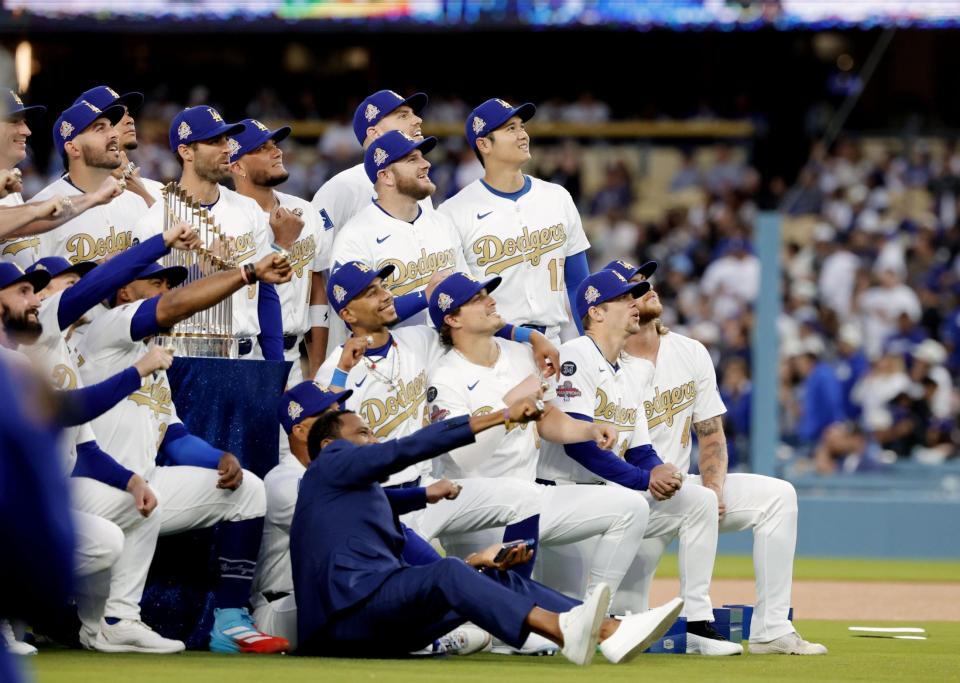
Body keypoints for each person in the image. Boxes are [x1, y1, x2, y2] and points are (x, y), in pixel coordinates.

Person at [291, 403, 685, 664]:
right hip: (343, 620)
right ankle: (563, 629)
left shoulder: (357, 496)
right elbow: (406, 449)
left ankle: (608, 631)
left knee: (490, 575)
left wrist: (471, 564)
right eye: (363, 433)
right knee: (448, 573)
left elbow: (408, 540)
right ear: (330, 445)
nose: (373, 440)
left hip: (376, 624)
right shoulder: (329, 465)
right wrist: (500, 417)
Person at [74, 251, 294, 654]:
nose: (166, 291)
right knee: (139, 505)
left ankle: (229, 622)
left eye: (168, 284)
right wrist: (246, 274)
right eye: (156, 283)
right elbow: (174, 307)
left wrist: (219, 458)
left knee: (249, 490)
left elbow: (172, 435)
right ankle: (110, 619)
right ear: (124, 291)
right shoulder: (108, 328)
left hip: (145, 482)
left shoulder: (152, 358)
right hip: (98, 486)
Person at [609, 258, 827, 656]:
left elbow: (711, 435)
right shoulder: (605, 362)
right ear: (611, 305)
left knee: (778, 497)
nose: (647, 288)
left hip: (682, 491)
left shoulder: (689, 351)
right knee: (623, 624)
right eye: (633, 287)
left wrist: (713, 489)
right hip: (628, 495)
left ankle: (772, 629)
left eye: (647, 281)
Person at [0, 236, 197, 652]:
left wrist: (131, 482)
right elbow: (65, 410)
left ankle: (112, 621)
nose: (37, 299)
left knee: (135, 512)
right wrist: (161, 242)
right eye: (25, 290)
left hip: (46, 488)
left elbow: (84, 447)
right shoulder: (20, 353)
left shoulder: (54, 351)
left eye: (37, 290)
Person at [533, 267, 729, 653]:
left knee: (699, 499)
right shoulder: (575, 356)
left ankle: (698, 622)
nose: (635, 303)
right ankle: (596, 620)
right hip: (562, 496)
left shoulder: (627, 371)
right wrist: (644, 481)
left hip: (603, 499)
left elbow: (639, 447)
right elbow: (581, 446)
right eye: (624, 298)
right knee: (538, 639)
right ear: (597, 312)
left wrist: (660, 470)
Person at [424, 271, 650, 605]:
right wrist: (509, 403)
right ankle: (516, 617)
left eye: (487, 293)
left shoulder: (517, 355)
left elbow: (546, 419)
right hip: (476, 512)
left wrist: (585, 429)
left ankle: (594, 611)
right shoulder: (446, 377)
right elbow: (465, 457)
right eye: (477, 299)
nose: (490, 300)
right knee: (486, 629)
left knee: (631, 507)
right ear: (452, 319)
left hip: (530, 497)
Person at [315, 261, 554, 556]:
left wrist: (529, 336)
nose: (385, 296)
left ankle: (520, 594)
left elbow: (471, 324)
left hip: (428, 488)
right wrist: (341, 373)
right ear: (347, 314)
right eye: (370, 293)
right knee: (440, 580)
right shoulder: (334, 372)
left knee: (525, 497)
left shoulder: (418, 340)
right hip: (378, 501)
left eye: (383, 287)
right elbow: (324, 446)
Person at [251, 381, 488, 656]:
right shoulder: (284, 481)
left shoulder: (337, 478)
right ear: (301, 430)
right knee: (383, 592)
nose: (336, 417)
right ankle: (431, 636)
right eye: (325, 413)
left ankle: (437, 627)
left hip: (327, 597)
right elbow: (357, 515)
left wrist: (422, 495)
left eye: (337, 409)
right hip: (282, 608)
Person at [133, 106, 284, 360]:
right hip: (184, 358)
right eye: (214, 141)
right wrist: (199, 275)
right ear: (186, 151)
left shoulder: (248, 209)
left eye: (226, 139)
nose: (227, 148)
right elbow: (142, 307)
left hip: (247, 356)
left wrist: (275, 365)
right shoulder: (153, 223)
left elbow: (266, 293)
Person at [439, 98, 591, 343]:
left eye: (522, 126)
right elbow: (459, 304)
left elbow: (578, 284)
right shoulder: (453, 212)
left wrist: (590, 345)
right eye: (511, 129)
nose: (522, 135)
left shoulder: (557, 197)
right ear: (484, 144)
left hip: (553, 340)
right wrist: (524, 337)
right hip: (492, 346)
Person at [310, 89, 431, 371]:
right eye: (403, 115)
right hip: (363, 352)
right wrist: (317, 364)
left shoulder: (421, 184)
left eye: (414, 113)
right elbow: (313, 274)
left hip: (423, 346)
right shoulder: (341, 188)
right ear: (374, 133)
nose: (417, 120)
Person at [329, 130, 469, 327]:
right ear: (386, 176)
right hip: (393, 354)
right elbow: (355, 316)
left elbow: (467, 293)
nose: (426, 164)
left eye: (422, 157)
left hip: (447, 351)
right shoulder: (355, 236)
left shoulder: (442, 223)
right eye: (412, 160)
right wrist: (423, 297)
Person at [229, 118, 330, 383]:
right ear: (237, 166)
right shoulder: (226, 219)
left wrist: (317, 371)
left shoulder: (305, 210)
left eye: (274, 144)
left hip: (295, 358)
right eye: (262, 148)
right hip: (245, 358)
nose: (277, 152)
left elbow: (316, 288)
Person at [0, 91, 123, 266]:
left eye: (24, 122)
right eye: (14, 121)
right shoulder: (37, 199)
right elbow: (27, 219)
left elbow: (25, 220)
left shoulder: (12, 193)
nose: (26, 131)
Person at [33, 100, 151, 265]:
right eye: (100, 129)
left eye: (111, 126)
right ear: (73, 148)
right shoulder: (40, 208)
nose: (114, 134)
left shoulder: (135, 200)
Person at [72, 85, 165, 205]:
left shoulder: (157, 190)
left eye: (128, 113)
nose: (130, 120)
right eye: (117, 114)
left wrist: (143, 195)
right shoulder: (66, 199)